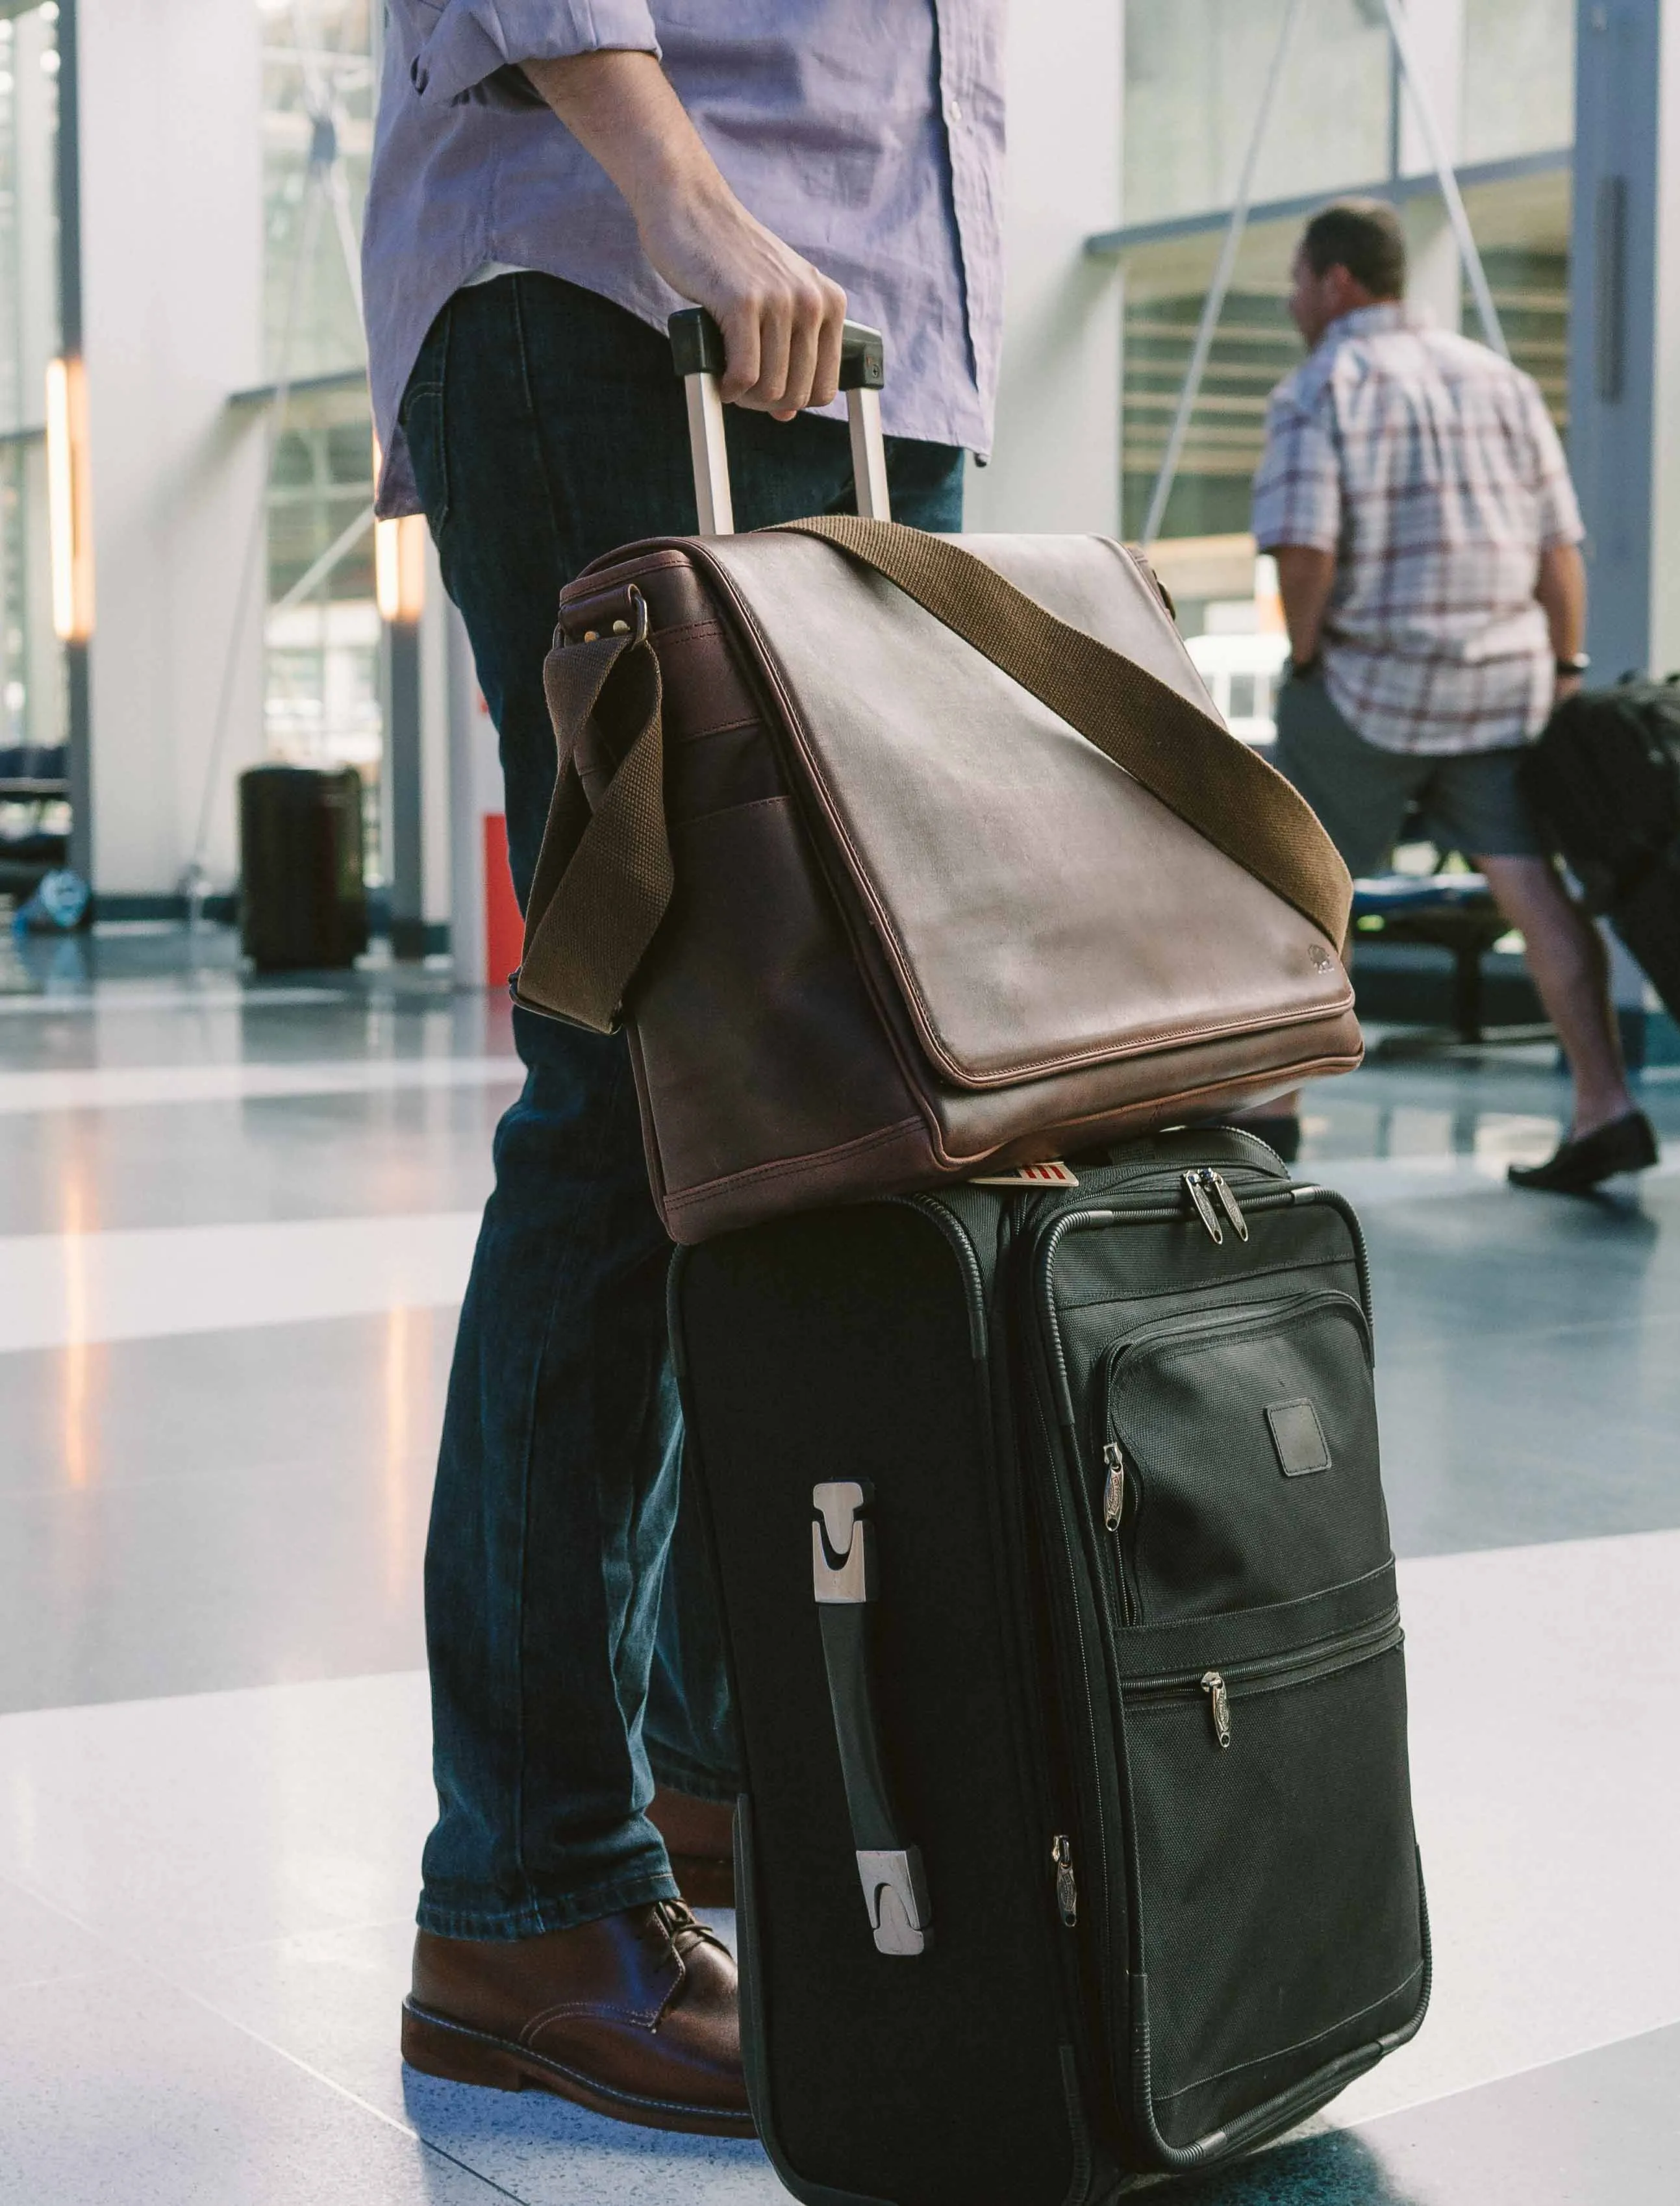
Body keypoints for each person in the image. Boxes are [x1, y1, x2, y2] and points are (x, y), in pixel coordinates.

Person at [362, 3, 1003, 2133]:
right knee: (635, 1091)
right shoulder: (660, 232)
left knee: (815, 1100)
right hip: (636, 292)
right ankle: (529, 1900)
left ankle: (710, 1788)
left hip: (871, 327)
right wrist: (683, 192)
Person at [1251, 199, 1657, 1194]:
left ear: (1338, 281)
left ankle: (1275, 1113)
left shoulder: (1320, 386)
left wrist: (1307, 659)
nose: (1293, 300)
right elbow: (1559, 549)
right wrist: (1562, 669)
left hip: (1367, 688)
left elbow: (1306, 549)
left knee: (1298, 891)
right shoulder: (1501, 382)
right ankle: (1606, 1103)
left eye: (1298, 280)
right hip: (1500, 693)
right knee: (1535, 893)